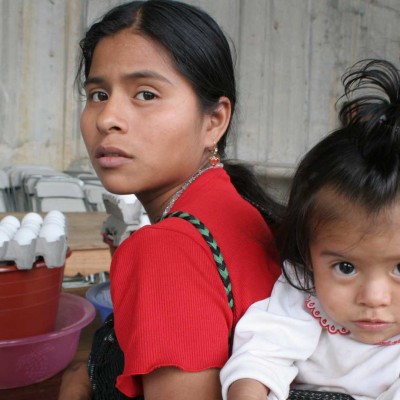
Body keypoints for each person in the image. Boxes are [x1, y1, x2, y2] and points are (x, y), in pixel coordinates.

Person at [58, 1, 283, 399]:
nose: (107, 117)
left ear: (214, 120)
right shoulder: (234, 205)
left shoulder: (168, 249)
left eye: (145, 94)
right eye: (98, 93)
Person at [220, 59, 400, 400]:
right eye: (345, 267)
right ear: (308, 254)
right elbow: (259, 356)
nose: (375, 298)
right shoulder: (301, 295)